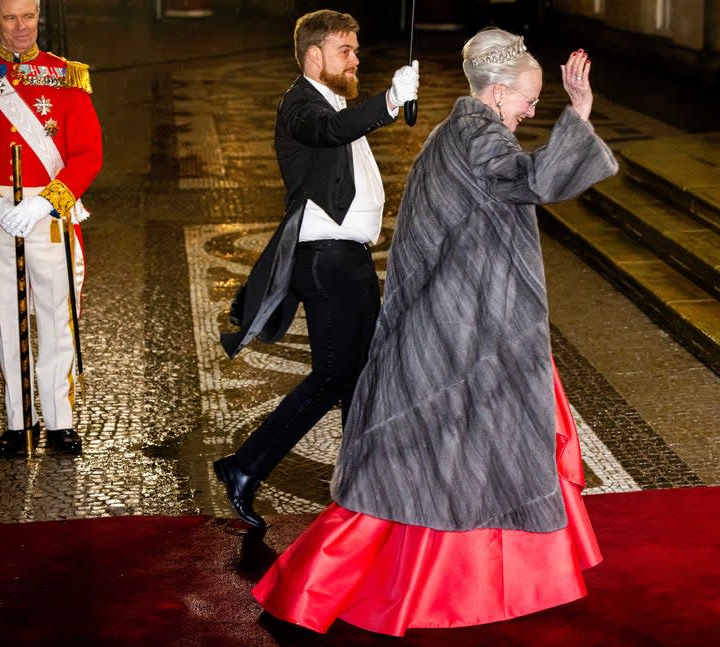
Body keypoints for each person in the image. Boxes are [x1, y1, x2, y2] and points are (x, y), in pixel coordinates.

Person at [251, 28, 619, 636]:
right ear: (497, 93)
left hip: (468, 331)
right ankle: (306, 595)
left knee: (450, 464)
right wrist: (578, 113)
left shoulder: (459, 134)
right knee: (404, 472)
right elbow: (537, 180)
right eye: (528, 98)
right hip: (458, 339)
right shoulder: (477, 137)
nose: (532, 109)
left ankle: (473, 583)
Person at [215, 9, 419, 529]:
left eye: (356, 49)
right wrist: (391, 100)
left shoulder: (334, 101)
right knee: (332, 375)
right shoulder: (302, 106)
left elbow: (343, 132)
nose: (356, 59)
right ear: (314, 56)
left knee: (361, 375)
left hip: (347, 258)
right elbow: (329, 132)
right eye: (345, 51)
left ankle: (363, 486)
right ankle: (245, 467)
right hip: (326, 260)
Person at [0, 0, 103, 457]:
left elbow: (89, 154)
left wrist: (47, 203)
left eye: (27, 16)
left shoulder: (67, 76)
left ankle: (60, 421)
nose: (20, 27)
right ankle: (18, 422)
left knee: (56, 319)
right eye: (9, 18)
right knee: (9, 323)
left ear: (39, 17)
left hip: (47, 218)